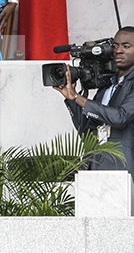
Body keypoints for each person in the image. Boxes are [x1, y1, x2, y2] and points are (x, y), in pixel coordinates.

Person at [55, 27, 134, 177]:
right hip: (93, 168)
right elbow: (87, 132)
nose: (118, 51)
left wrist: (78, 98)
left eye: (126, 46)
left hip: (121, 170)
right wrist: (71, 97)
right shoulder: (106, 87)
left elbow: (120, 117)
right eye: (115, 45)